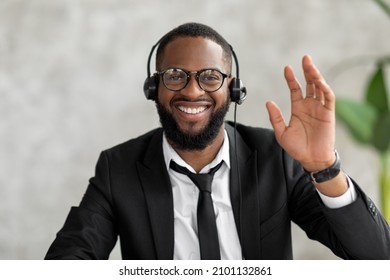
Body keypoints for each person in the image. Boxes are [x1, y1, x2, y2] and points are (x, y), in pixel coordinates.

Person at [45, 22, 390, 260]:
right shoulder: (118, 168)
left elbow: (377, 257)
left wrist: (325, 168)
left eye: (210, 77)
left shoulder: (276, 159)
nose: (193, 90)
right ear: (154, 88)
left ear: (233, 89)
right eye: (175, 76)